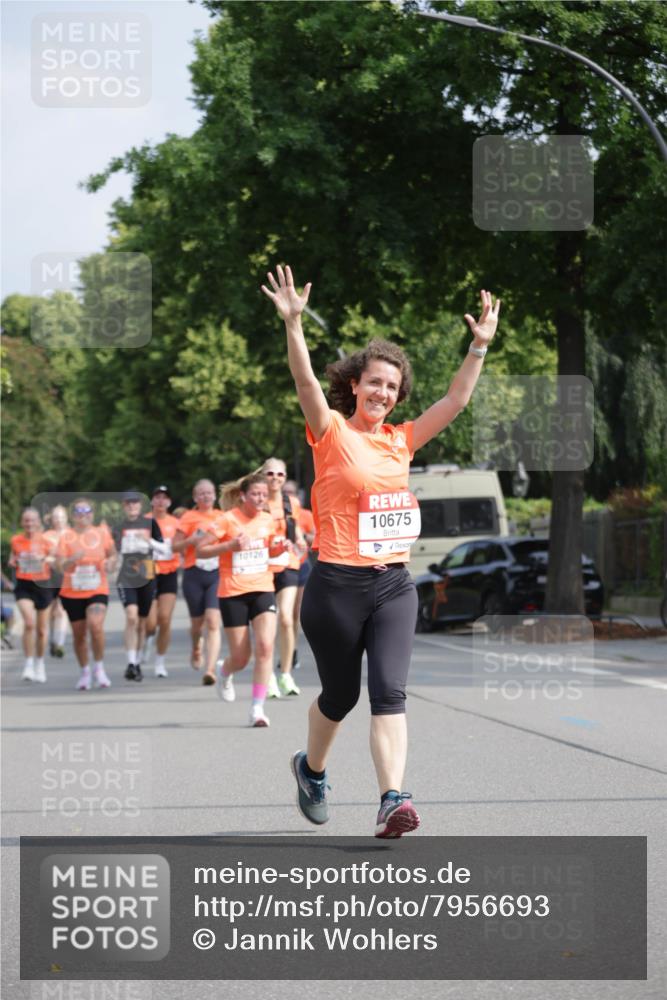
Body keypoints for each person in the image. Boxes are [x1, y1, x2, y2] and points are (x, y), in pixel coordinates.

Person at [262, 264, 500, 837]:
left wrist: (478, 347)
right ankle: (311, 769)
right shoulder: (331, 432)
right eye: (374, 383)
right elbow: (304, 385)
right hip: (336, 587)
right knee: (340, 696)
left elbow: (457, 400)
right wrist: (294, 324)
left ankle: (393, 798)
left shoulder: (403, 440)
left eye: (392, 387)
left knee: (388, 692)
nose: (383, 393)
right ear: (355, 386)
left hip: (393, 584)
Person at [198, 473, 279, 727]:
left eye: (264, 495)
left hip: (263, 588)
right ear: (243, 496)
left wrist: (281, 547)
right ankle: (225, 670)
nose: (260, 499)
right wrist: (229, 546)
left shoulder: (268, 519)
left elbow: (271, 549)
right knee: (241, 657)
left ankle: (257, 709)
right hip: (233, 592)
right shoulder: (227, 520)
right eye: (255, 494)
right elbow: (201, 549)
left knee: (265, 647)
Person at [57, 498, 116, 690]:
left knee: (96, 626)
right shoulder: (66, 536)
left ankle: (99, 668)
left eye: (87, 511)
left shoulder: (101, 532)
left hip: (97, 588)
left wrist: (110, 563)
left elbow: (112, 554)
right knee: (79, 635)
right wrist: (72, 560)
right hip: (72, 591)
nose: (84, 515)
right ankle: (85, 671)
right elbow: (60, 566)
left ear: (93, 513)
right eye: (79, 512)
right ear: (73, 516)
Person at [262, 458, 307, 698]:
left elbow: (296, 527)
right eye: (270, 473)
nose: (275, 478)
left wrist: (299, 539)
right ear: (263, 476)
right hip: (262, 567)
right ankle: (267, 674)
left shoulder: (292, 503)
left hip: (288, 563)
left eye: (280, 474)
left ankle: (286, 673)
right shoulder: (257, 501)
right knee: (268, 621)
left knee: (287, 618)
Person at [171, 479, 224, 684]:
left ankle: (210, 669)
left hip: (217, 572)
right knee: (197, 625)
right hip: (194, 573)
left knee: (212, 620)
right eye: (201, 493)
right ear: (195, 497)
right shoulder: (188, 517)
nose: (206, 496)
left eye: (209, 493)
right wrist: (191, 540)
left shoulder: (222, 517)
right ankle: (195, 646)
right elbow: (175, 547)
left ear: (215, 495)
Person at [112, 490, 163, 683]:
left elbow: (164, 548)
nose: (132, 506)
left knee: (143, 623)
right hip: (126, 576)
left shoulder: (150, 523)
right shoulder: (118, 527)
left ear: (140, 506)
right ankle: (131, 662)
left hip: (147, 574)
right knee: (131, 617)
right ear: (123, 506)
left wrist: (147, 542)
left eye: (135, 503)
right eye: (128, 503)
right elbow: (112, 551)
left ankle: (138, 660)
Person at [9, 508, 56, 683]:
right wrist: (12, 562)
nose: (29, 524)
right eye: (26, 521)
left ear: (38, 522)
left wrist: (44, 559)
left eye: (32, 521)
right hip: (24, 585)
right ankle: (28, 664)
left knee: (42, 630)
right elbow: (12, 559)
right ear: (22, 523)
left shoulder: (45, 541)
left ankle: (39, 663)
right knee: (29, 623)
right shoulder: (16, 540)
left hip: (43, 586)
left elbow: (55, 559)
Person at [143, 486, 180, 678]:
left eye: (164, 498)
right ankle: (148, 638)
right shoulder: (144, 521)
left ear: (169, 502)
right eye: (157, 497)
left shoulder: (175, 523)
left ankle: (160, 661)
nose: (160, 501)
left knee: (164, 618)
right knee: (150, 622)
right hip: (148, 570)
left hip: (169, 571)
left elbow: (179, 545)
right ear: (152, 501)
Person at [283, 479, 316, 670]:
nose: (288, 496)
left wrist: (301, 536)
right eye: (285, 492)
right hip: (280, 569)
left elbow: (315, 539)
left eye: (292, 492)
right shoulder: (274, 513)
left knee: (295, 614)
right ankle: (284, 650)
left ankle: (292, 649)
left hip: (301, 565)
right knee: (283, 615)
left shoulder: (305, 515)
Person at [43, 504, 69, 657]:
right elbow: (41, 554)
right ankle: (53, 640)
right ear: (51, 520)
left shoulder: (72, 534)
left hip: (66, 576)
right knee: (52, 611)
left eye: (61, 517)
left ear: (66, 519)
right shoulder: (46, 536)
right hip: (49, 576)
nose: (59, 520)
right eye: (56, 517)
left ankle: (59, 643)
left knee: (61, 610)